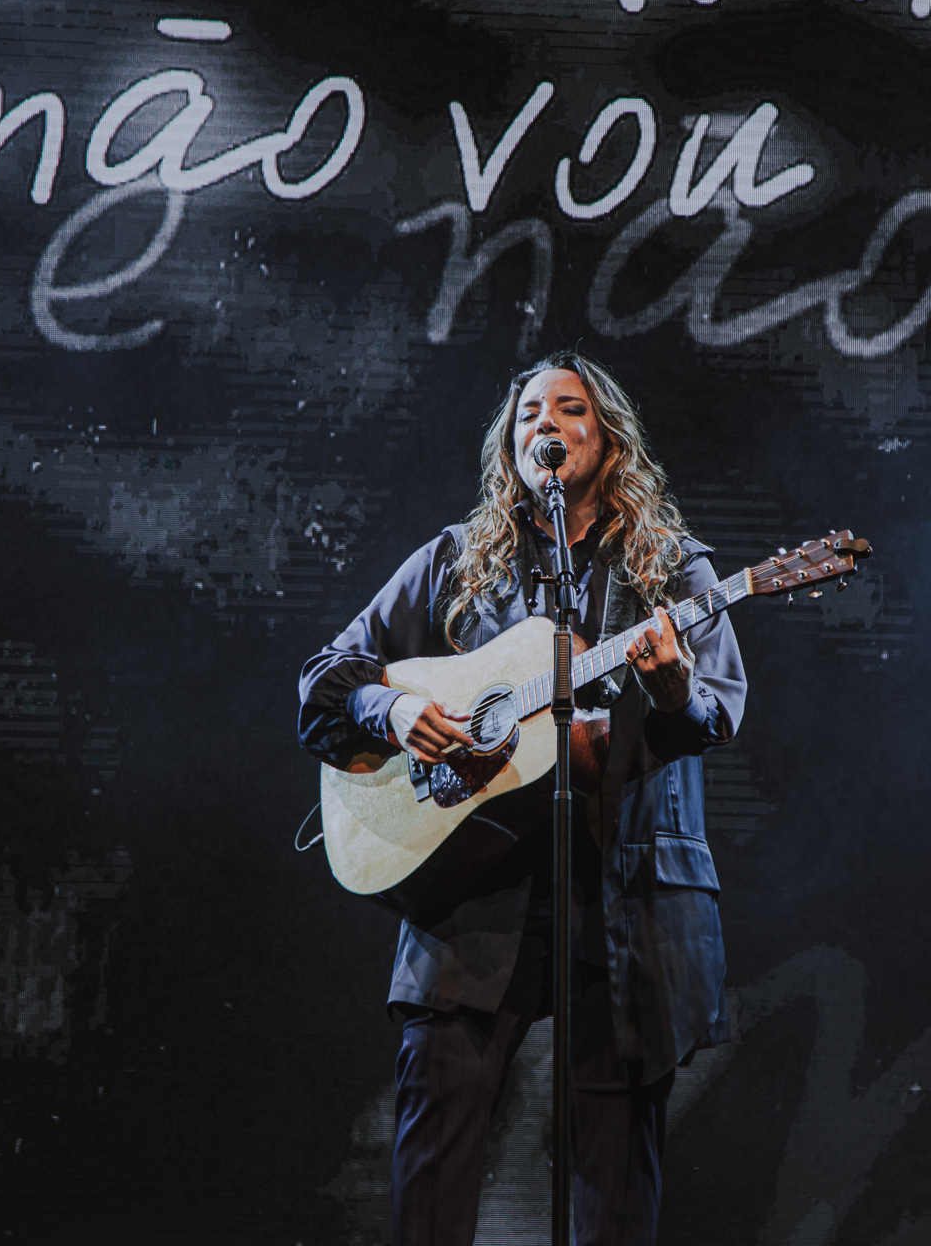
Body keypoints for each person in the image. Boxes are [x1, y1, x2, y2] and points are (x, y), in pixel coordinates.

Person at [298, 352, 746, 1246]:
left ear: (608, 441)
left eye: (570, 408)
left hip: (622, 900)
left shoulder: (673, 570)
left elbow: (716, 712)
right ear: (511, 447)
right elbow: (325, 679)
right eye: (528, 412)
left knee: (617, 1188)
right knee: (433, 1163)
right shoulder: (455, 566)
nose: (546, 421)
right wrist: (395, 708)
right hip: (473, 897)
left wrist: (666, 690)